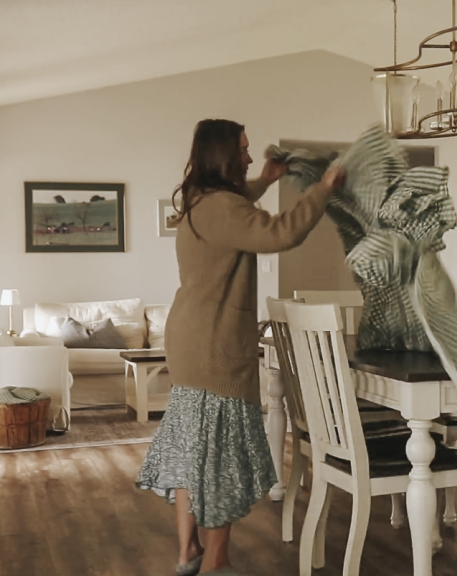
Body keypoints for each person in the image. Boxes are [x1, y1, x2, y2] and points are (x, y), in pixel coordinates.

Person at [136, 119, 344, 576]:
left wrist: (267, 180)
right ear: (225, 155)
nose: (250, 157)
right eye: (244, 151)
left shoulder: (201, 200)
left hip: (191, 339)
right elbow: (281, 233)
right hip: (217, 346)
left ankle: (188, 552)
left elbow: (237, 206)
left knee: (195, 452)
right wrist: (324, 188)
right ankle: (217, 562)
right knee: (223, 456)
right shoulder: (223, 207)